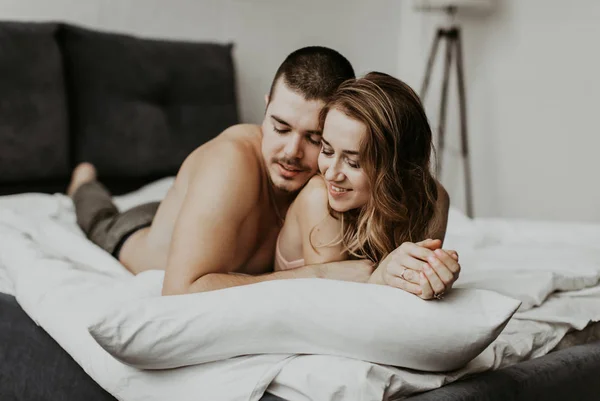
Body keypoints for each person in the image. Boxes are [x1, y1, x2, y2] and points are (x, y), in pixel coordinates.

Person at [66, 47, 457, 297]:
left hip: (210, 221)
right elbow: (179, 292)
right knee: (98, 213)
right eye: (280, 126)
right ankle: (84, 181)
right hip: (134, 235)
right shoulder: (233, 162)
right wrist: (322, 275)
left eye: (314, 139)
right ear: (267, 105)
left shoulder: (331, 177)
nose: (291, 152)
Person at [274, 72, 460, 299]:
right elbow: (330, 309)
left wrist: (433, 277)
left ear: (397, 169)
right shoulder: (319, 199)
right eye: (327, 150)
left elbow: (417, 292)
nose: (331, 173)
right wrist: (381, 278)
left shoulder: (433, 198)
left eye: (353, 163)